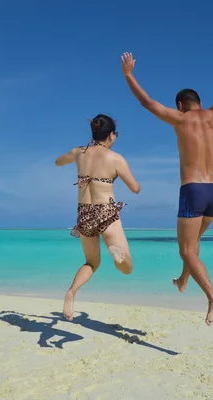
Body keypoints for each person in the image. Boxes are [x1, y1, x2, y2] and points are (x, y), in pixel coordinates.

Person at [121, 35, 213, 325]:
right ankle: (183, 281)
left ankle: (212, 296)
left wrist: (129, 75)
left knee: (186, 249)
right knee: (194, 243)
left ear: (180, 104)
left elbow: (147, 102)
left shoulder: (180, 119)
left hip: (193, 190)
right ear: (198, 102)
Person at [55, 114, 141, 321]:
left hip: (84, 214)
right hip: (106, 212)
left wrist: (76, 158)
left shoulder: (79, 153)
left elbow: (58, 162)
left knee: (91, 263)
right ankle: (116, 253)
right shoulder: (116, 159)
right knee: (127, 268)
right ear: (111, 135)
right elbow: (135, 188)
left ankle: (71, 292)